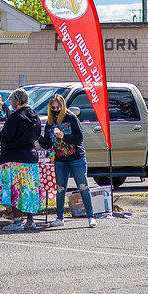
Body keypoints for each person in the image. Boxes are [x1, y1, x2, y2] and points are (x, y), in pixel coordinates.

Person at [39, 94, 96, 228]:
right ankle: (60, 217)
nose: (55, 110)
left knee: (83, 186)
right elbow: (47, 144)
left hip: (76, 157)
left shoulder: (70, 118)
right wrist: (38, 136)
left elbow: (79, 138)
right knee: (60, 188)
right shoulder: (49, 122)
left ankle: (91, 216)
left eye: (58, 107)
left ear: (63, 106)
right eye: (53, 107)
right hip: (60, 159)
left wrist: (64, 136)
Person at [0, 89, 43, 231]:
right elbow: (38, 135)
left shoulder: (15, 117)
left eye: (11, 102)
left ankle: (17, 221)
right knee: (29, 191)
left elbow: (5, 136)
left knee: (15, 190)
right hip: (30, 157)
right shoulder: (35, 116)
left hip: (13, 158)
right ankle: (30, 221)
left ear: (15, 101)